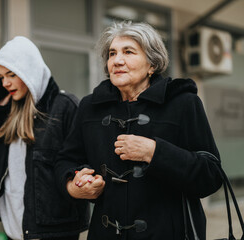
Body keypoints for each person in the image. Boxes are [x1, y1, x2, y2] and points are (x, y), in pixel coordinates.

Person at [54, 21, 223, 239]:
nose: (117, 60)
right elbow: (65, 160)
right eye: (112, 53)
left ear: (152, 64)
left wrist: (154, 152)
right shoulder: (90, 107)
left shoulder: (183, 103)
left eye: (128, 52)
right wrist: (73, 185)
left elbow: (211, 175)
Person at [0, 36, 90, 240]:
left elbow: (81, 162)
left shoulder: (65, 107)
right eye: (1, 77)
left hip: (54, 232)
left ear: (30, 72)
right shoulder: (6, 110)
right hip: (15, 231)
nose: (6, 82)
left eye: (11, 74)